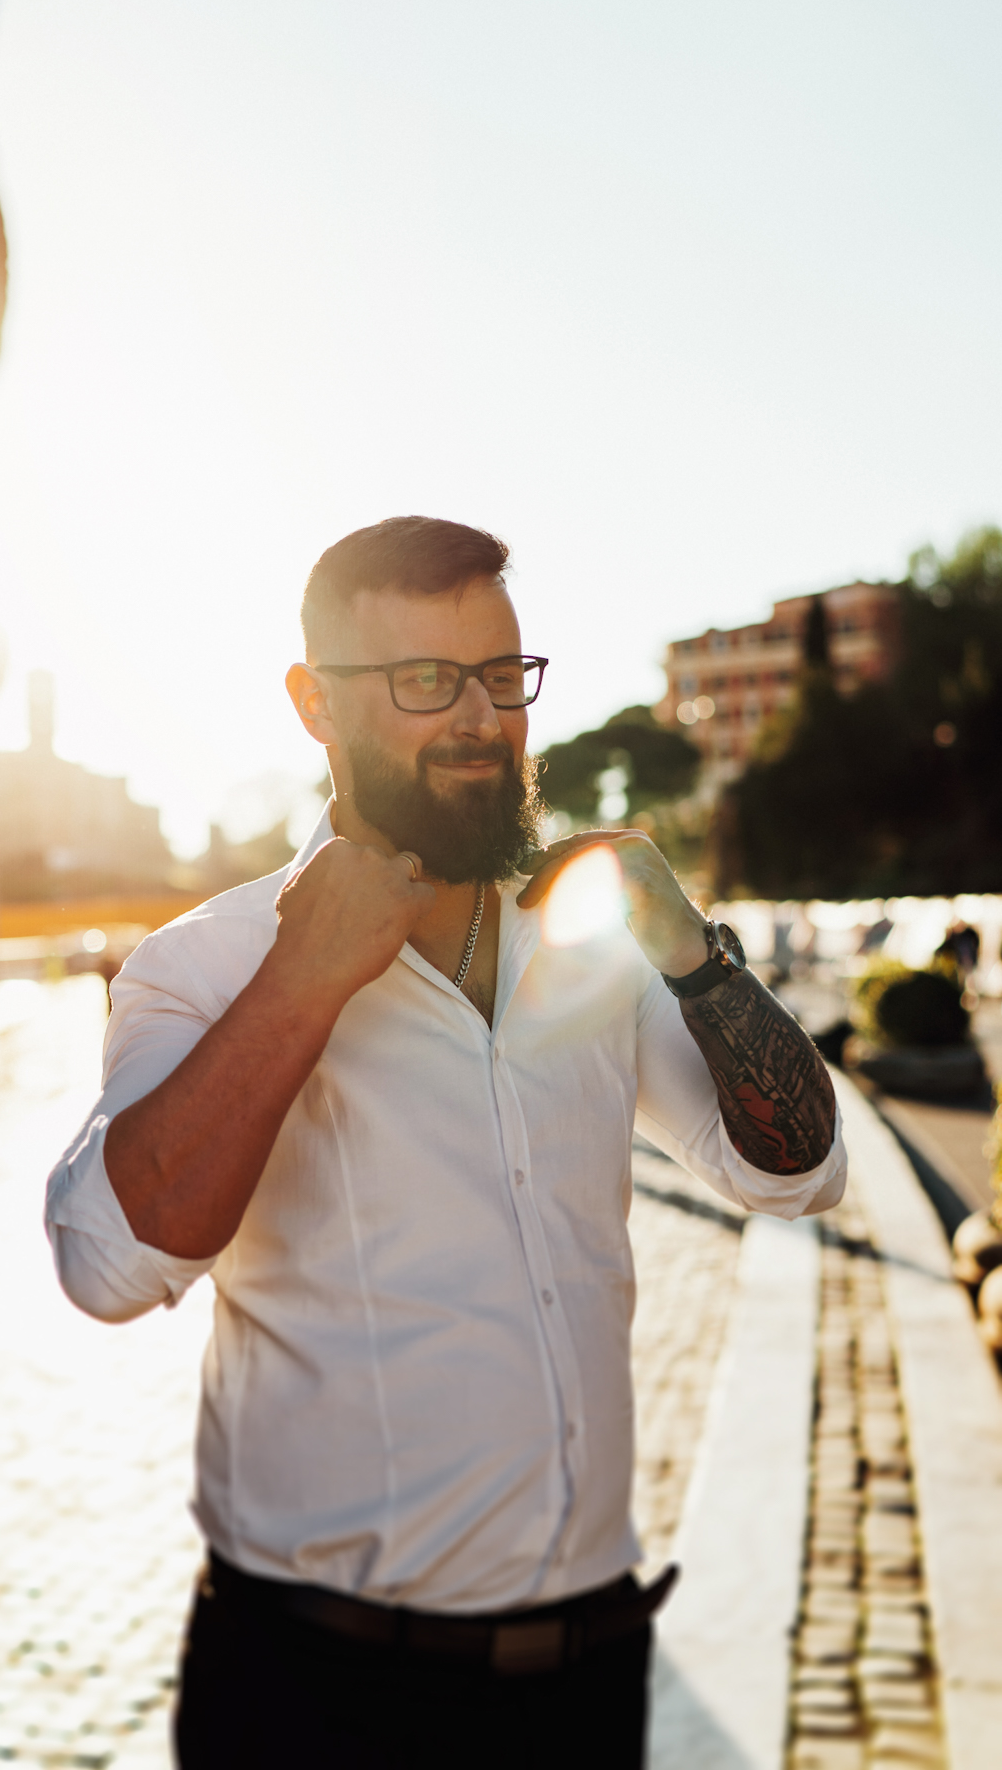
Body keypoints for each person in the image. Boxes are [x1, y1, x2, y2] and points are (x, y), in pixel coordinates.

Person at [45, 517, 845, 1769]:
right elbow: (107, 1263)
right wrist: (302, 981)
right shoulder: (206, 963)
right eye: (427, 681)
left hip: (582, 1686)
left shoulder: (593, 952)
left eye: (501, 675)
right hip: (317, 1701)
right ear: (317, 703)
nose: (481, 719)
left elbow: (797, 1169)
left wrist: (690, 952)